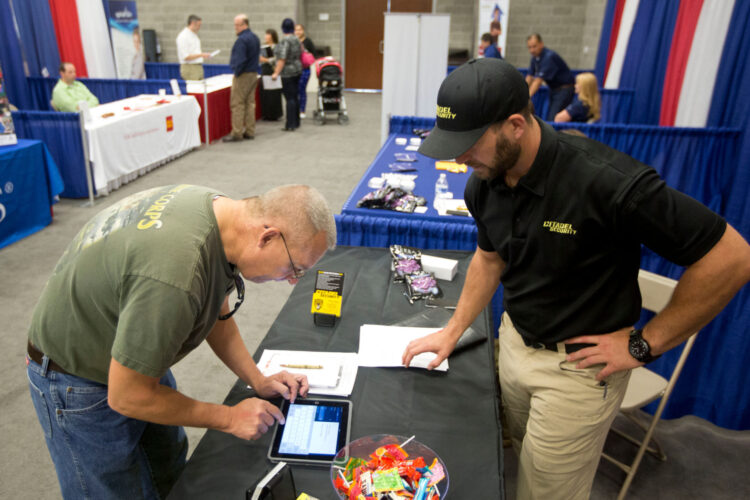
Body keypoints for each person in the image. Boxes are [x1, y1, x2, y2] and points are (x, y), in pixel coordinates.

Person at [402, 58, 750, 500]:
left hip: (578, 372)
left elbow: (732, 258)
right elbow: (489, 260)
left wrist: (644, 345)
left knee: (545, 494)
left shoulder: (607, 182)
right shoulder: (483, 183)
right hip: (515, 346)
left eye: (469, 144)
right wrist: (452, 330)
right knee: (522, 467)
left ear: (515, 126)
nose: (459, 158)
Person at [26, 184, 337, 499]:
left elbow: (215, 310)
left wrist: (257, 379)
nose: (292, 281)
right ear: (267, 237)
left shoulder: (226, 220)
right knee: (115, 490)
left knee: (170, 473)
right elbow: (128, 395)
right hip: (77, 377)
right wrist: (229, 417)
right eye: (294, 268)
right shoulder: (176, 275)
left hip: (132, 349)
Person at [224, 14, 260, 143]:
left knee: (237, 104)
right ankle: (250, 131)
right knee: (250, 103)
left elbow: (240, 60)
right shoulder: (255, 38)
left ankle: (237, 132)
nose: (235, 28)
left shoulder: (241, 40)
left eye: (237, 25)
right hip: (253, 73)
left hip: (243, 75)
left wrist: (237, 72)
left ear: (244, 25)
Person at [526, 33, 575, 121]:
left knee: (553, 118)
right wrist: (522, 92)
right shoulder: (535, 57)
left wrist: (526, 97)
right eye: (529, 47)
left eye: (534, 46)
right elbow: (529, 76)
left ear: (541, 44)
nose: (532, 50)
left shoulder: (549, 57)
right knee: (550, 117)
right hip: (554, 90)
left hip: (564, 90)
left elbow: (538, 81)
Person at [272, 18, 302, 132]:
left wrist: (276, 73)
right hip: (297, 69)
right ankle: (297, 121)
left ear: (283, 28)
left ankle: (290, 124)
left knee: (289, 98)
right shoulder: (297, 39)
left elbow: (282, 58)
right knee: (295, 96)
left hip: (287, 73)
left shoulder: (285, 41)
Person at [176, 14, 212, 81]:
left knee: (200, 86)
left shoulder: (194, 35)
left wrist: (202, 55)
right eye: (198, 25)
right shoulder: (183, 36)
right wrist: (201, 55)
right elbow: (185, 57)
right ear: (192, 23)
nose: (199, 27)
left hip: (197, 66)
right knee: (194, 86)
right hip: (189, 67)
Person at [260, 29, 283, 121]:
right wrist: (265, 60)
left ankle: (275, 114)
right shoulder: (263, 47)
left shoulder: (277, 47)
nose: (266, 36)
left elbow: (278, 59)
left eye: (268, 34)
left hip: (274, 70)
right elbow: (260, 58)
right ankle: (266, 113)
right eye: (266, 34)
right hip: (265, 70)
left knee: (274, 93)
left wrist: (267, 60)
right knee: (266, 93)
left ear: (272, 36)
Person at [295, 23, 315, 119]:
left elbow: (314, 55)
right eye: (296, 30)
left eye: (300, 30)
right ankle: (295, 109)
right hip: (295, 70)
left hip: (305, 70)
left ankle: (302, 110)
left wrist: (305, 53)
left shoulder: (308, 41)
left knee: (302, 90)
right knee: (295, 90)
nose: (298, 32)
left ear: (303, 31)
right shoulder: (293, 41)